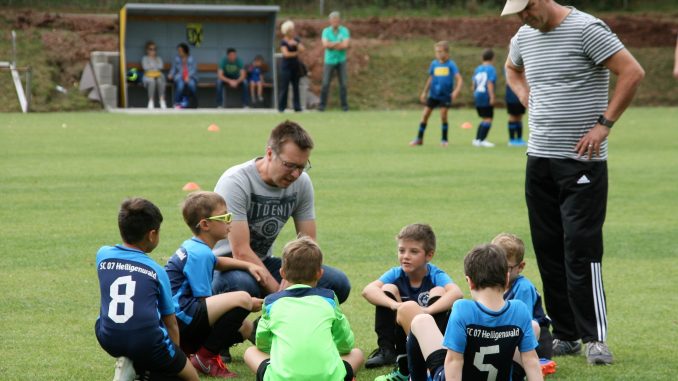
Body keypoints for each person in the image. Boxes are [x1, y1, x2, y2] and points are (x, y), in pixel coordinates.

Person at [502, 0, 645, 365]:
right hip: (539, 159)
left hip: (582, 162)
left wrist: (604, 124)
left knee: (580, 248)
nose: (522, 19)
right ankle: (565, 334)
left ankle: (594, 337)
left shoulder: (586, 29)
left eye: (524, 11)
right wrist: (522, 93)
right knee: (547, 248)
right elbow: (511, 68)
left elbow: (632, 72)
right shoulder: (524, 35)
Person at [212, 120, 351, 304]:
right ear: (270, 153)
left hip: (264, 261)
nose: (295, 174)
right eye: (289, 165)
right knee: (242, 284)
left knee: (336, 283)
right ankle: (242, 330)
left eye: (301, 167)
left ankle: (274, 329)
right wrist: (282, 297)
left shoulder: (301, 183)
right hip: (226, 266)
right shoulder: (236, 181)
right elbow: (241, 251)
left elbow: (308, 243)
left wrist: (301, 281)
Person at [397, 244, 543, 381]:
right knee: (532, 327)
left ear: (470, 281)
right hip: (500, 374)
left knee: (421, 321)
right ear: (506, 279)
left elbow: (454, 361)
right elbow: (531, 360)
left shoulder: (462, 309)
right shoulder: (520, 309)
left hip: (456, 375)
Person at [165, 191, 267, 378]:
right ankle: (205, 358)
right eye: (225, 216)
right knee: (242, 299)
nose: (230, 221)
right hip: (180, 319)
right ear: (205, 224)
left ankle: (190, 352)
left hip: (178, 318)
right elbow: (204, 300)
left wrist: (248, 265)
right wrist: (248, 302)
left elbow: (217, 261)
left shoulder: (196, 246)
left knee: (245, 329)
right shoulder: (200, 254)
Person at [95, 198, 199, 381]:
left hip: (108, 339)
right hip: (146, 342)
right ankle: (145, 369)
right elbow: (171, 322)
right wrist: (175, 357)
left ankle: (133, 363)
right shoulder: (156, 270)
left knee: (104, 314)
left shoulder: (102, 255)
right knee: (191, 377)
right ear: (152, 235)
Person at [243, 237, 364, 381]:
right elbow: (344, 341)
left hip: (280, 377)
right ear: (319, 273)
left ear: (282, 273)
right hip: (329, 377)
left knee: (250, 352)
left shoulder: (271, 302)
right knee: (357, 354)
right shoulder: (329, 299)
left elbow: (262, 341)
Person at [361, 224, 463, 380]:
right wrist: (396, 305)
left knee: (439, 291)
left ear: (429, 255)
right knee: (387, 289)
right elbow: (368, 290)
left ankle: (433, 356)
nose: (405, 256)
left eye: (413, 251)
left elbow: (457, 293)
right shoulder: (396, 273)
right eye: (401, 250)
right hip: (402, 335)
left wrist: (427, 311)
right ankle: (387, 351)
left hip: (429, 336)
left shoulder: (435, 274)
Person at [492, 233, 556, 377]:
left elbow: (521, 322)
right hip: (506, 335)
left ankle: (533, 364)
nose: (501, 272)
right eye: (497, 266)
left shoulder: (523, 287)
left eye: (507, 268)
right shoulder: (493, 285)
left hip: (535, 341)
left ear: (520, 267)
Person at [409, 41, 463, 148]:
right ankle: (419, 139)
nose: (437, 54)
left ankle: (444, 140)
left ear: (446, 52)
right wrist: (424, 92)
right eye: (436, 52)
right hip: (433, 95)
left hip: (445, 95)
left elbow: (459, 79)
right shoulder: (434, 64)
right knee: (425, 115)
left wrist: (456, 91)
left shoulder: (451, 64)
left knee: (443, 116)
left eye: (440, 51)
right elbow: (431, 78)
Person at [319, 11, 350, 112]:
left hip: (341, 60)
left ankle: (345, 107)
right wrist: (338, 44)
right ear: (330, 21)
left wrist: (331, 44)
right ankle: (322, 106)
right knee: (325, 83)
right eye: (333, 20)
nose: (335, 22)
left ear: (339, 20)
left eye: (337, 20)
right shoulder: (326, 31)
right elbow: (325, 45)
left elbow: (345, 45)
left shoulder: (344, 31)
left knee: (343, 84)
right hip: (329, 60)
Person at [472, 49, 498, 148]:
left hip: (478, 94)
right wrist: (492, 96)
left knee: (484, 118)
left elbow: (474, 82)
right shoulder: (491, 69)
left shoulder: (478, 69)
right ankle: (482, 140)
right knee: (488, 119)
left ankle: (477, 139)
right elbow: (490, 82)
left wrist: (474, 92)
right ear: (492, 58)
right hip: (485, 95)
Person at [279, 20, 305, 113]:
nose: (293, 32)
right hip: (286, 67)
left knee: (296, 87)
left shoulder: (296, 40)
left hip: (295, 67)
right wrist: (296, 53)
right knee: (284, 87)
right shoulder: (283, 42)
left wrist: (296, 44)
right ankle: (281, 107)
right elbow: (286, 54)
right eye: (291, 30)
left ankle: (297, 107)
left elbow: (303, 49)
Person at [168, 43, 198, 109]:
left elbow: (194, 70)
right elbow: (173, 68)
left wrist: (188, 76)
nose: (179, 52)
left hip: (190, 77)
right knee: (180, 85)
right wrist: (171, 74)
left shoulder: (191, 59)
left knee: (192, 85)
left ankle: (193, 103)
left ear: (185, 51)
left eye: (180, 51)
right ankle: (177, 103)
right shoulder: (177, 58)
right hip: (180, 77)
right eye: (178, 51)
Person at [504, 64, 527, 147]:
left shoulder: (522, 65)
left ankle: (519, 139)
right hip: (512, 94)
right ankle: (512, 139)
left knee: (519, 116)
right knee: (513, 116)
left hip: (521, 94)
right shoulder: (509, 65)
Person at [141, 41, 167, 109]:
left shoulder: (158, 58)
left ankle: (162, 100)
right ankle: (151, 101)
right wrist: (154, 68)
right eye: (151, 49)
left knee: (159, 80)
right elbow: (145, 68)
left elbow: (161, 67)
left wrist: (152, 67)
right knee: (152, 81)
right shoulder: (145, 58)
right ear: (147, 50)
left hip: (158, 76)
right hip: (148, 76)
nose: (153, 51)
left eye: (154, 49)